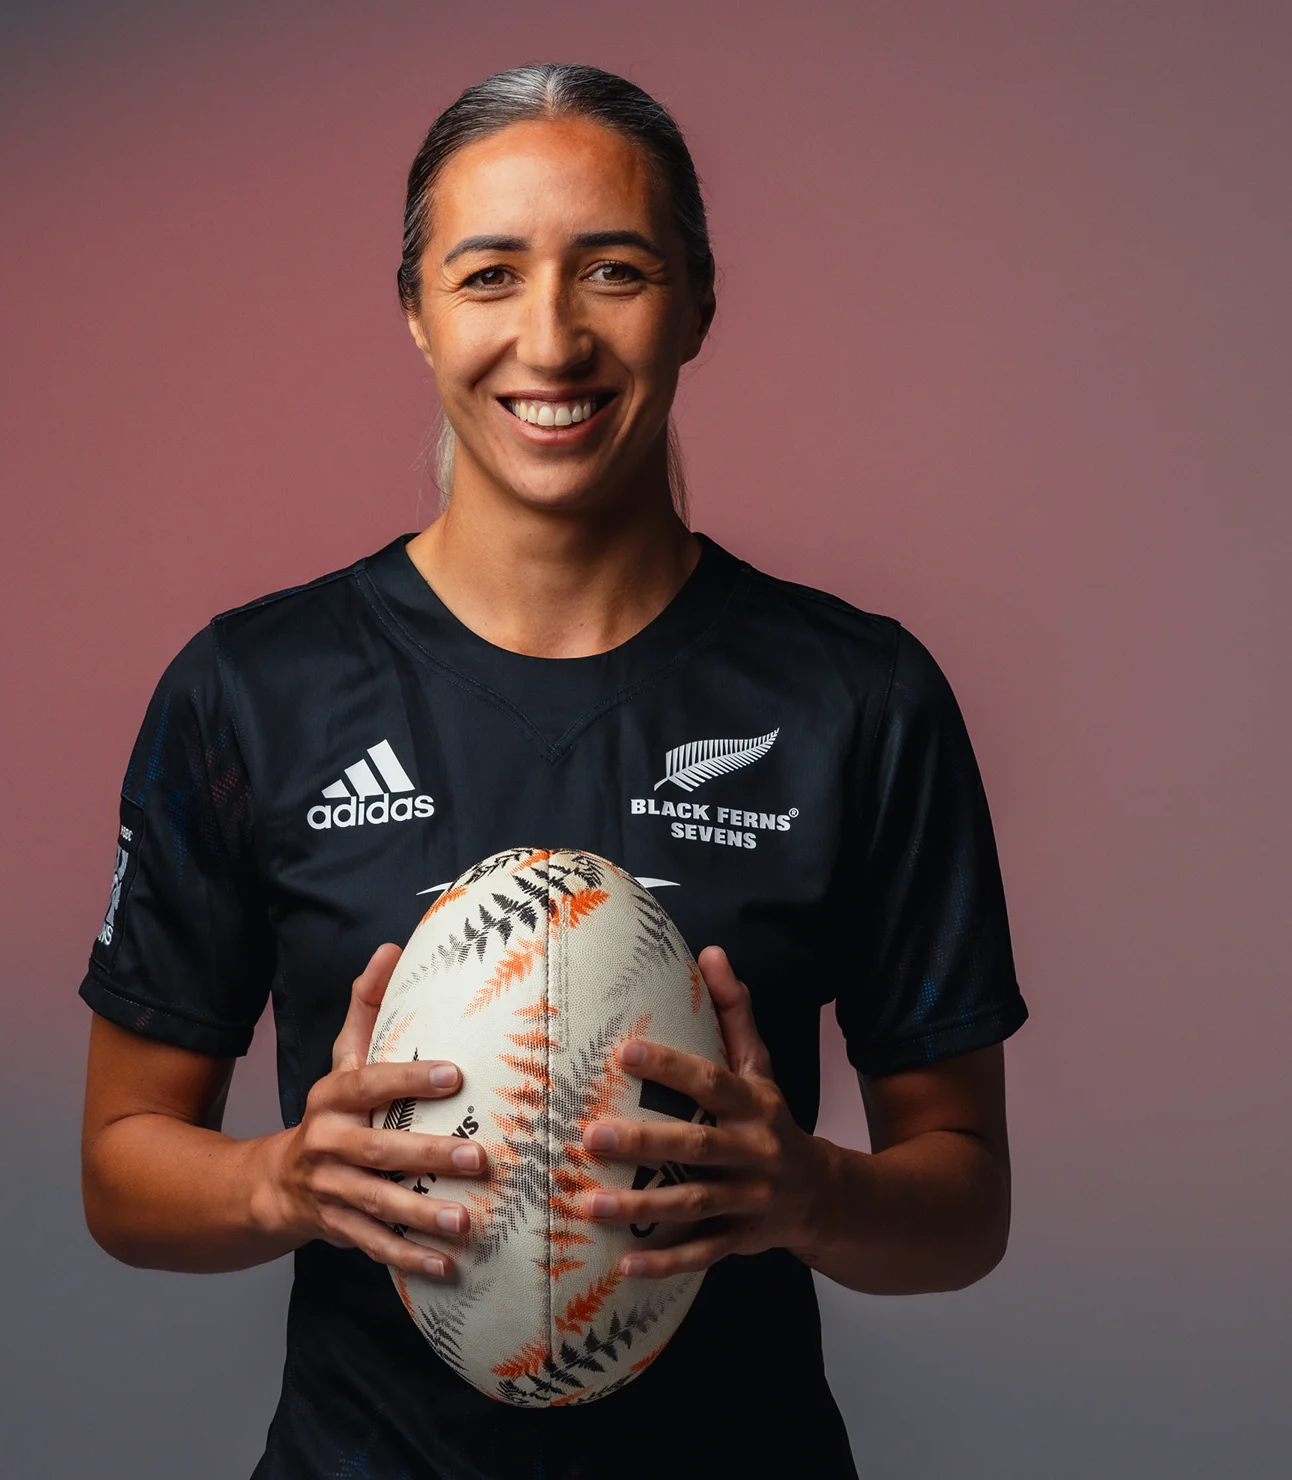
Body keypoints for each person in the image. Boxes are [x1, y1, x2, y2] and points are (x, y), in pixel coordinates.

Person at [79, 63, 1028, 1479]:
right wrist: (285, 1177)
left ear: (700, 300)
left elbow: (965, 1201)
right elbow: (121, 1167)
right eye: (486, 275)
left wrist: (807, 1192)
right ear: (413, 311)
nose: (551, 337)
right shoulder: (252, 692)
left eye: (615, 271)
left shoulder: (856, 698)